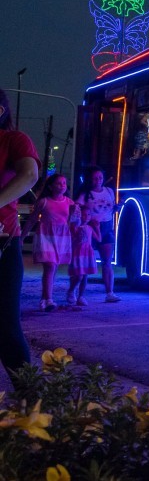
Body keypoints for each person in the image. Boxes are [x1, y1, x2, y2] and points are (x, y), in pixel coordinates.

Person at [0, 87, 40, 384]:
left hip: (3, 244)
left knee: (5, 327)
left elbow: (29, 175)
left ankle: (30, 402)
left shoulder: (13, 140)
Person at [22, 172, 75, 311]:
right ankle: (49, 299)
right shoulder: (44, 202)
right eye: (59, 183)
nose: (62, 186)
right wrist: (22, 237)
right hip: (46, 236)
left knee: (53, 268)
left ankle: (44, 299)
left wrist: (76, 214)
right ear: (51, 186)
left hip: (61, 237)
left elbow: (74, 221)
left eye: (64, 183)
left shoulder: (69, 202)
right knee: (50, 266)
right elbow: (32, 219)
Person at [76, 165, 122, 302]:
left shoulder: (109, 191)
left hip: (106, 227)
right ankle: (80, 295)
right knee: (86, 261)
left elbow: (110, 210)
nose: (98, 181)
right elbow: (77, 209)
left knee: (107, 262)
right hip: (90, 227)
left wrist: (117, 208)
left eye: (100, 178)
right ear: (90, 179)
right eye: (95, 178)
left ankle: (110, 293)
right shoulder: (86, 194)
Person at [67, 204, 98, 306]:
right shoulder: (76, 226)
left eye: (89, 214)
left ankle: (81, 296)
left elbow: (99, 238)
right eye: (84, 214)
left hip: (87, 253)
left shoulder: (89, 227)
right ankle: (71, 290)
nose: (87, 216)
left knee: (85, 276)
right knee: (78, 275)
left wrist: (97, 228)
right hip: (78, 253)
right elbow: (74, 236)